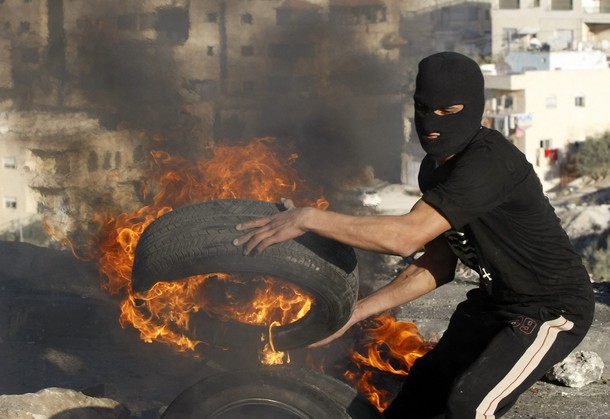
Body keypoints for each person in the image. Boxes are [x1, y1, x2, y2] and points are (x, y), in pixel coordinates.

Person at [232, 52, 594, 418]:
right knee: (420, 395)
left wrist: (308, 219)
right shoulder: (435, 168)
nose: (431, 123)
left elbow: (406, 236)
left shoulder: (488, 163)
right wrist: (354, 314)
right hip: (493, 303)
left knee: (469, 405)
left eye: (448, 111)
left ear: (473, 109)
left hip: (551, 308)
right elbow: (438, 263)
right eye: (423, 108)